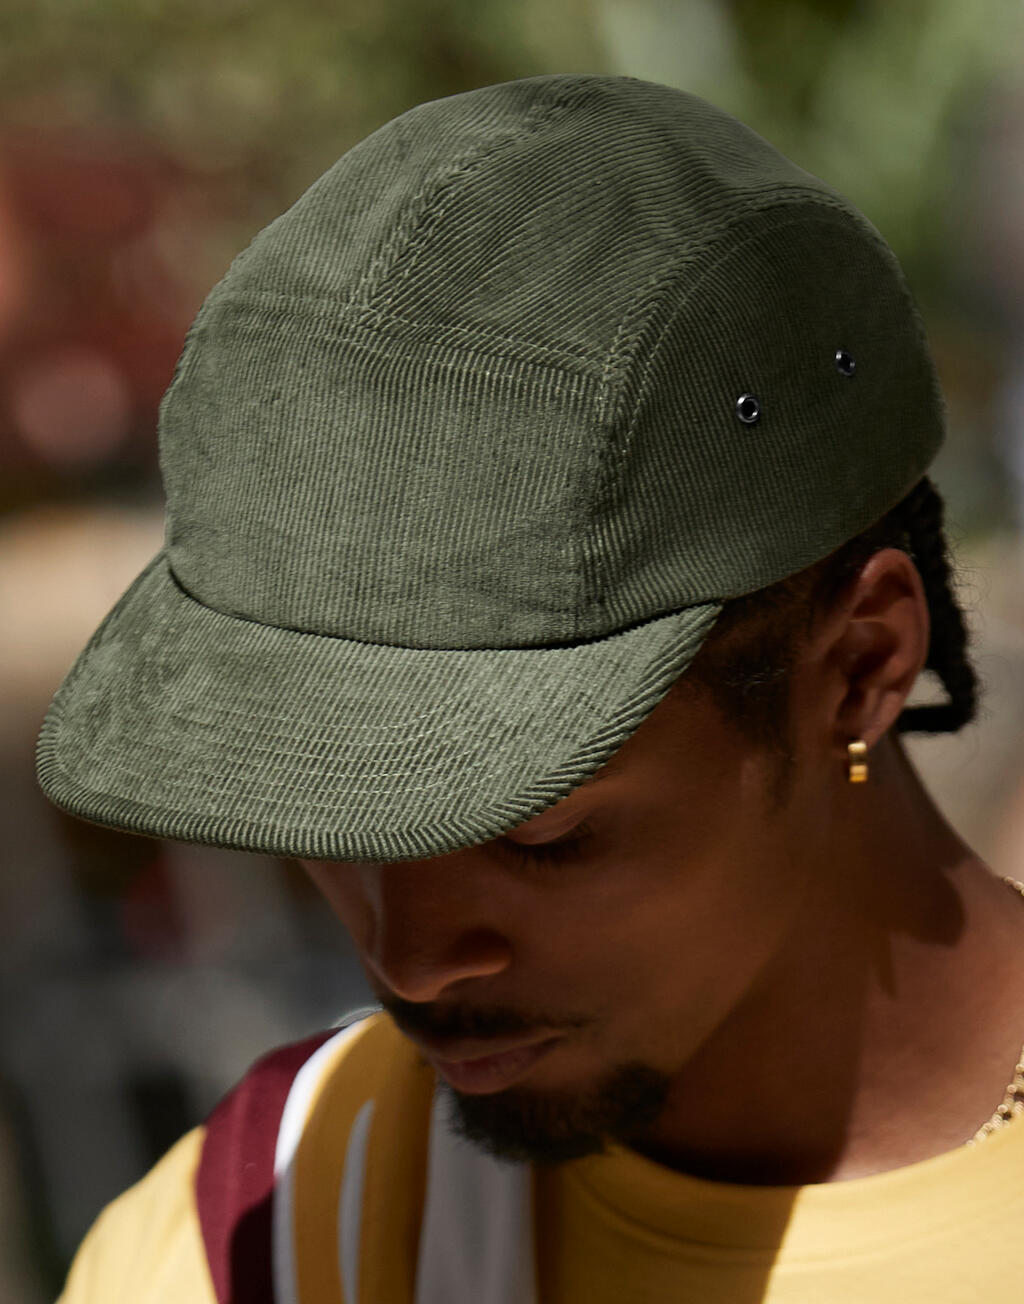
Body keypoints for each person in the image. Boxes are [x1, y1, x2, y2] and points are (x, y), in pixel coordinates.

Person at [37, 73, 1024, 1303]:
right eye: (329, 827)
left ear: (861, 666)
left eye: (540, 835)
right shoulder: (249, 1247)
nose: (413, 958)